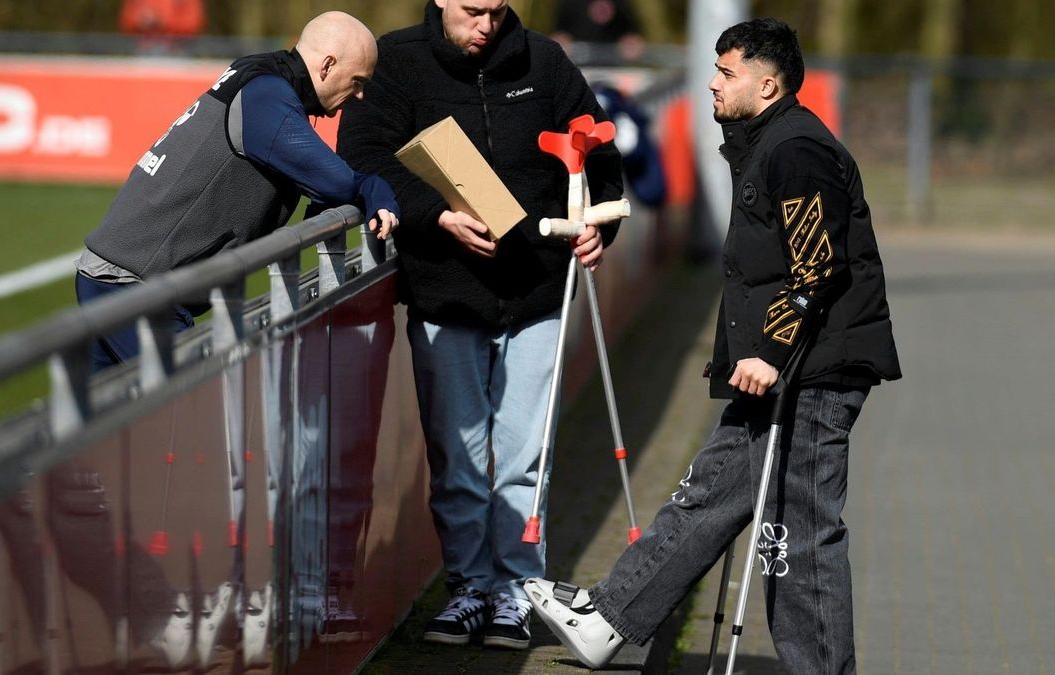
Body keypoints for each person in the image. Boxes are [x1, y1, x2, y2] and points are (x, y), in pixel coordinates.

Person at [525, 18, 902, 672]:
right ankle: (610, 619)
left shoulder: (796, 151)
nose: (712, 82)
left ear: (768, 83)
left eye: (727, 73)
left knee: (797, 532)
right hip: (778, 371)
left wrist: (770, 351)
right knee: (704, 492)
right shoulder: (764, 144)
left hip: (811, 375)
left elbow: (817, 266)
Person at [337, 0, 623, 651]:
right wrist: (435, 215)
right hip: (445, 297)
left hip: (540, 292)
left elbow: (599, 151)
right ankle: (468, 585)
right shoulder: (398, 62)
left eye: (496, 10)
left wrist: (600, 226)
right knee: (459, 458)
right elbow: (361, 156)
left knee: (525, 459)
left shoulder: (545, 61)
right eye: (472, 10)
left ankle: (516, 592)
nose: (485, 24)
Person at [76, 11, 400, 372]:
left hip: (119, 274)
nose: (359, 95)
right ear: (327, 65)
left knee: (120, 425)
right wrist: (374, 186)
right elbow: (338, 182)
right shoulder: (268, 98)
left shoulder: (262, 73)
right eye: (357, 81)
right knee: (192, 413)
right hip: (134, 286)